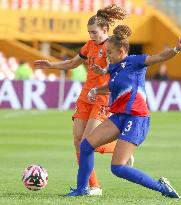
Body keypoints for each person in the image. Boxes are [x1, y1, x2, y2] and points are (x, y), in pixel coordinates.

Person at [64, 25, 181, 197]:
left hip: (136, 118)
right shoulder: (114, 67)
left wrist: (176, 49)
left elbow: (160, 57)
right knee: (85, 146)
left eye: (110, 53)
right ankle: (82, 189)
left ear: (122, 51)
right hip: (119, 116)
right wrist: (95, 91)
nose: (107, 56)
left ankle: (162, 188)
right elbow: (111, 86)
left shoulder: (136, 62)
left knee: (118, 168)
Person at [34, 5, 133, 196]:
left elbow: (122, 69)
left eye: (94, 32)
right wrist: (51, 65)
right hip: (85, 96)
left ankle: (120, 150)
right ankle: (93, 186)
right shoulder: (89, 45)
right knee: (78, 142)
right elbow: (72, 63)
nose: (92, 35)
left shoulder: (112, 46)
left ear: (105, 30)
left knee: (89, 142)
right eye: (89, 32)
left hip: (102, 97)